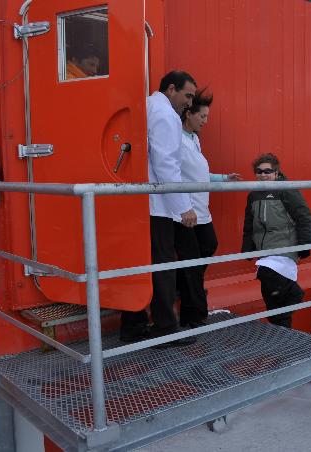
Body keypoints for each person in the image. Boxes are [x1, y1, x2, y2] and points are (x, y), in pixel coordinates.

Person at [120, 70, 198, 344]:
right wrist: (184, 207)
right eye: (187, 95)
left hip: (138, 202)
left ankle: (133, 325)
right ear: (171, 89)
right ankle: (165, 327)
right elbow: (166, 164)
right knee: (163, 265)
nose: (189, 103)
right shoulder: (166, 114)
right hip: (157, 206)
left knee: (136, 264)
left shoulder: (146, 106)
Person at [176, 88, 241, 329]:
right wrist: (182, 206)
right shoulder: (177, 139)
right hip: (187, 210)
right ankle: (193, 314)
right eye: (202, 116)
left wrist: (223, 178)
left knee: (207, 246)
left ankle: (184, 286)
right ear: (189, 114)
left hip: (202, 208)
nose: (205, 121)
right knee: (192, 263)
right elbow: (172, 173)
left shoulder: (195, 139)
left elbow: (200, 173)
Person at [241, 153, 311, 328]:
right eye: (259, 171)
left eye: (267, 171)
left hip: (284, 244)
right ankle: (282, 327)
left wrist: (305, 245)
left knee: (267, 277)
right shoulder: (253, 195)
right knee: (271, 292)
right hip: (264, 248)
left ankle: (294, 296)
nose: (263, 175)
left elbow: (304, 217)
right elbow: (249, 225)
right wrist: (247, 249)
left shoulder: (286, 190)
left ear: (276, 172)